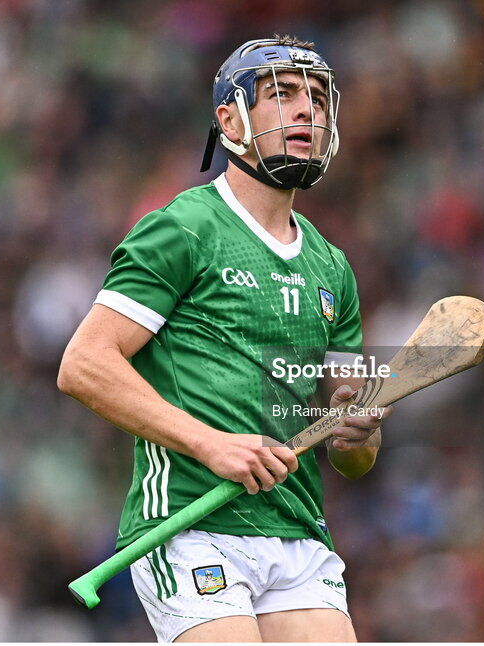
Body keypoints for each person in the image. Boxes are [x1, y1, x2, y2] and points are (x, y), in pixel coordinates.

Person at [58, 35, 385, 642]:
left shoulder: (332, 267)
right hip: (188, 526)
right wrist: (211, 444)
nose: (306, 111)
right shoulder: (182, 228)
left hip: (297, 532)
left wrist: (359, 431)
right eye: (282, 95)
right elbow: (83, 365)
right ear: (229, 118)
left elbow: (352, 456)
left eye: (316, 98)